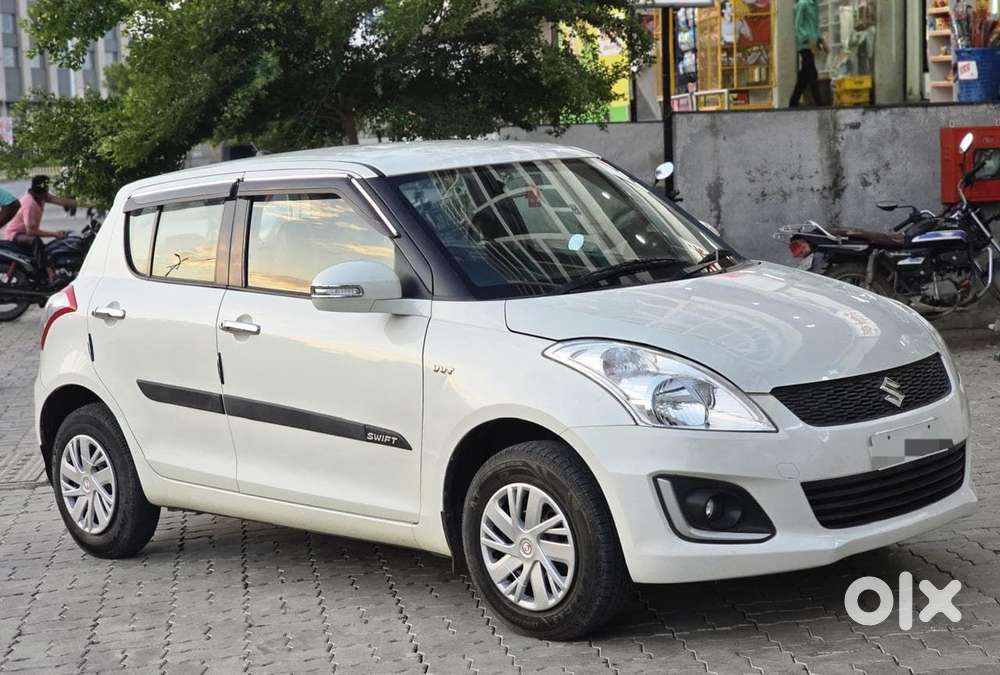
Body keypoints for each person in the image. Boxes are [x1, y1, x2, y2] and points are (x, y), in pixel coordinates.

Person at [2, 175, 78, 282]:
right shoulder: (29, 203)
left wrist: (85, 203)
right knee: (36, 241)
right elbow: (31, 231)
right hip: (15, 234)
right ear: (43, 190)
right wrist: (55, 234)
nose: (48, 192)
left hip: (26, 233)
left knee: (49, 248)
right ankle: (51, 275)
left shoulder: (41, 197)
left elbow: (59, 201)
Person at [789, 0, 826, 108]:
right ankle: (820, 104)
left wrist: (820, 40)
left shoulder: (814, 4)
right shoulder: (803, 4)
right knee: (812, 73)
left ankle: (793, 104)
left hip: (812, 43)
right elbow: (798, 25)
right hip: (805, 45)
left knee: (804, 77)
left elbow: (814, 26)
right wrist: (807, 40)